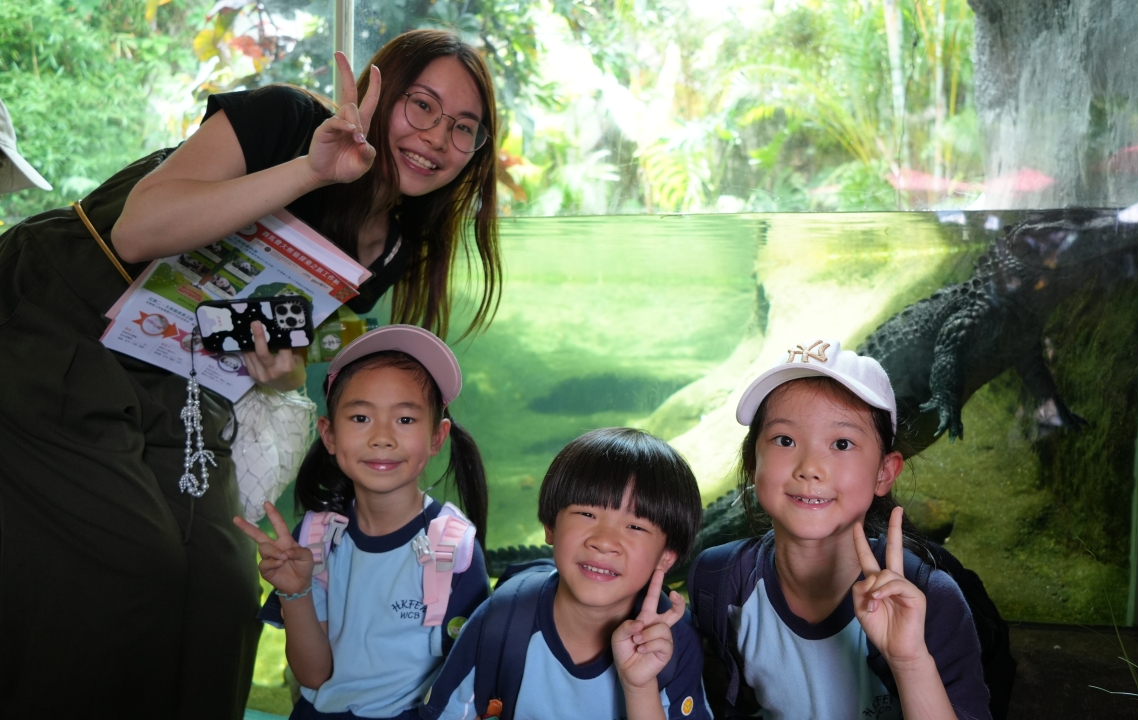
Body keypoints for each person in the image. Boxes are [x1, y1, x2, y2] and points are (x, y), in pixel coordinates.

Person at [0, 29, 500, 718]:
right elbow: (137, 231)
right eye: (422, 105)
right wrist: (312, 172)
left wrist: (279, 376)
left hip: (183, 381)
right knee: (132, 560)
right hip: (58, 321)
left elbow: (273, 349)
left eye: (464, 128)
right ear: (378, 95)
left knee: (224, 589)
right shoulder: (285, 120)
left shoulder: (390, 249)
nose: (437, 136)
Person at [688, 339, 990, 720]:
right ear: (753, 462)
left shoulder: (931, 600)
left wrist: (909, 660)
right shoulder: (718, 582)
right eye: (785, 440)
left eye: (842, 443)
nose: (810, 467)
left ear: (885, 473)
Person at [234, 324, 490, 720]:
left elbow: (468, 684)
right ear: (329, 434)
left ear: (437, 437)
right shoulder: (316, 538)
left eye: (405, 419)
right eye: (360, 417)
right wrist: (295, 592)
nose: (382, 437)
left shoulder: (453, 547)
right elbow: (314, 676)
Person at [422, 428, 713, 720]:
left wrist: (640, 687)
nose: (604, 541)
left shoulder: (674, 641)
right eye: (587, 514)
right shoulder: (503, 616)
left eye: (636, 526)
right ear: (550, 526)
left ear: (667, 556)